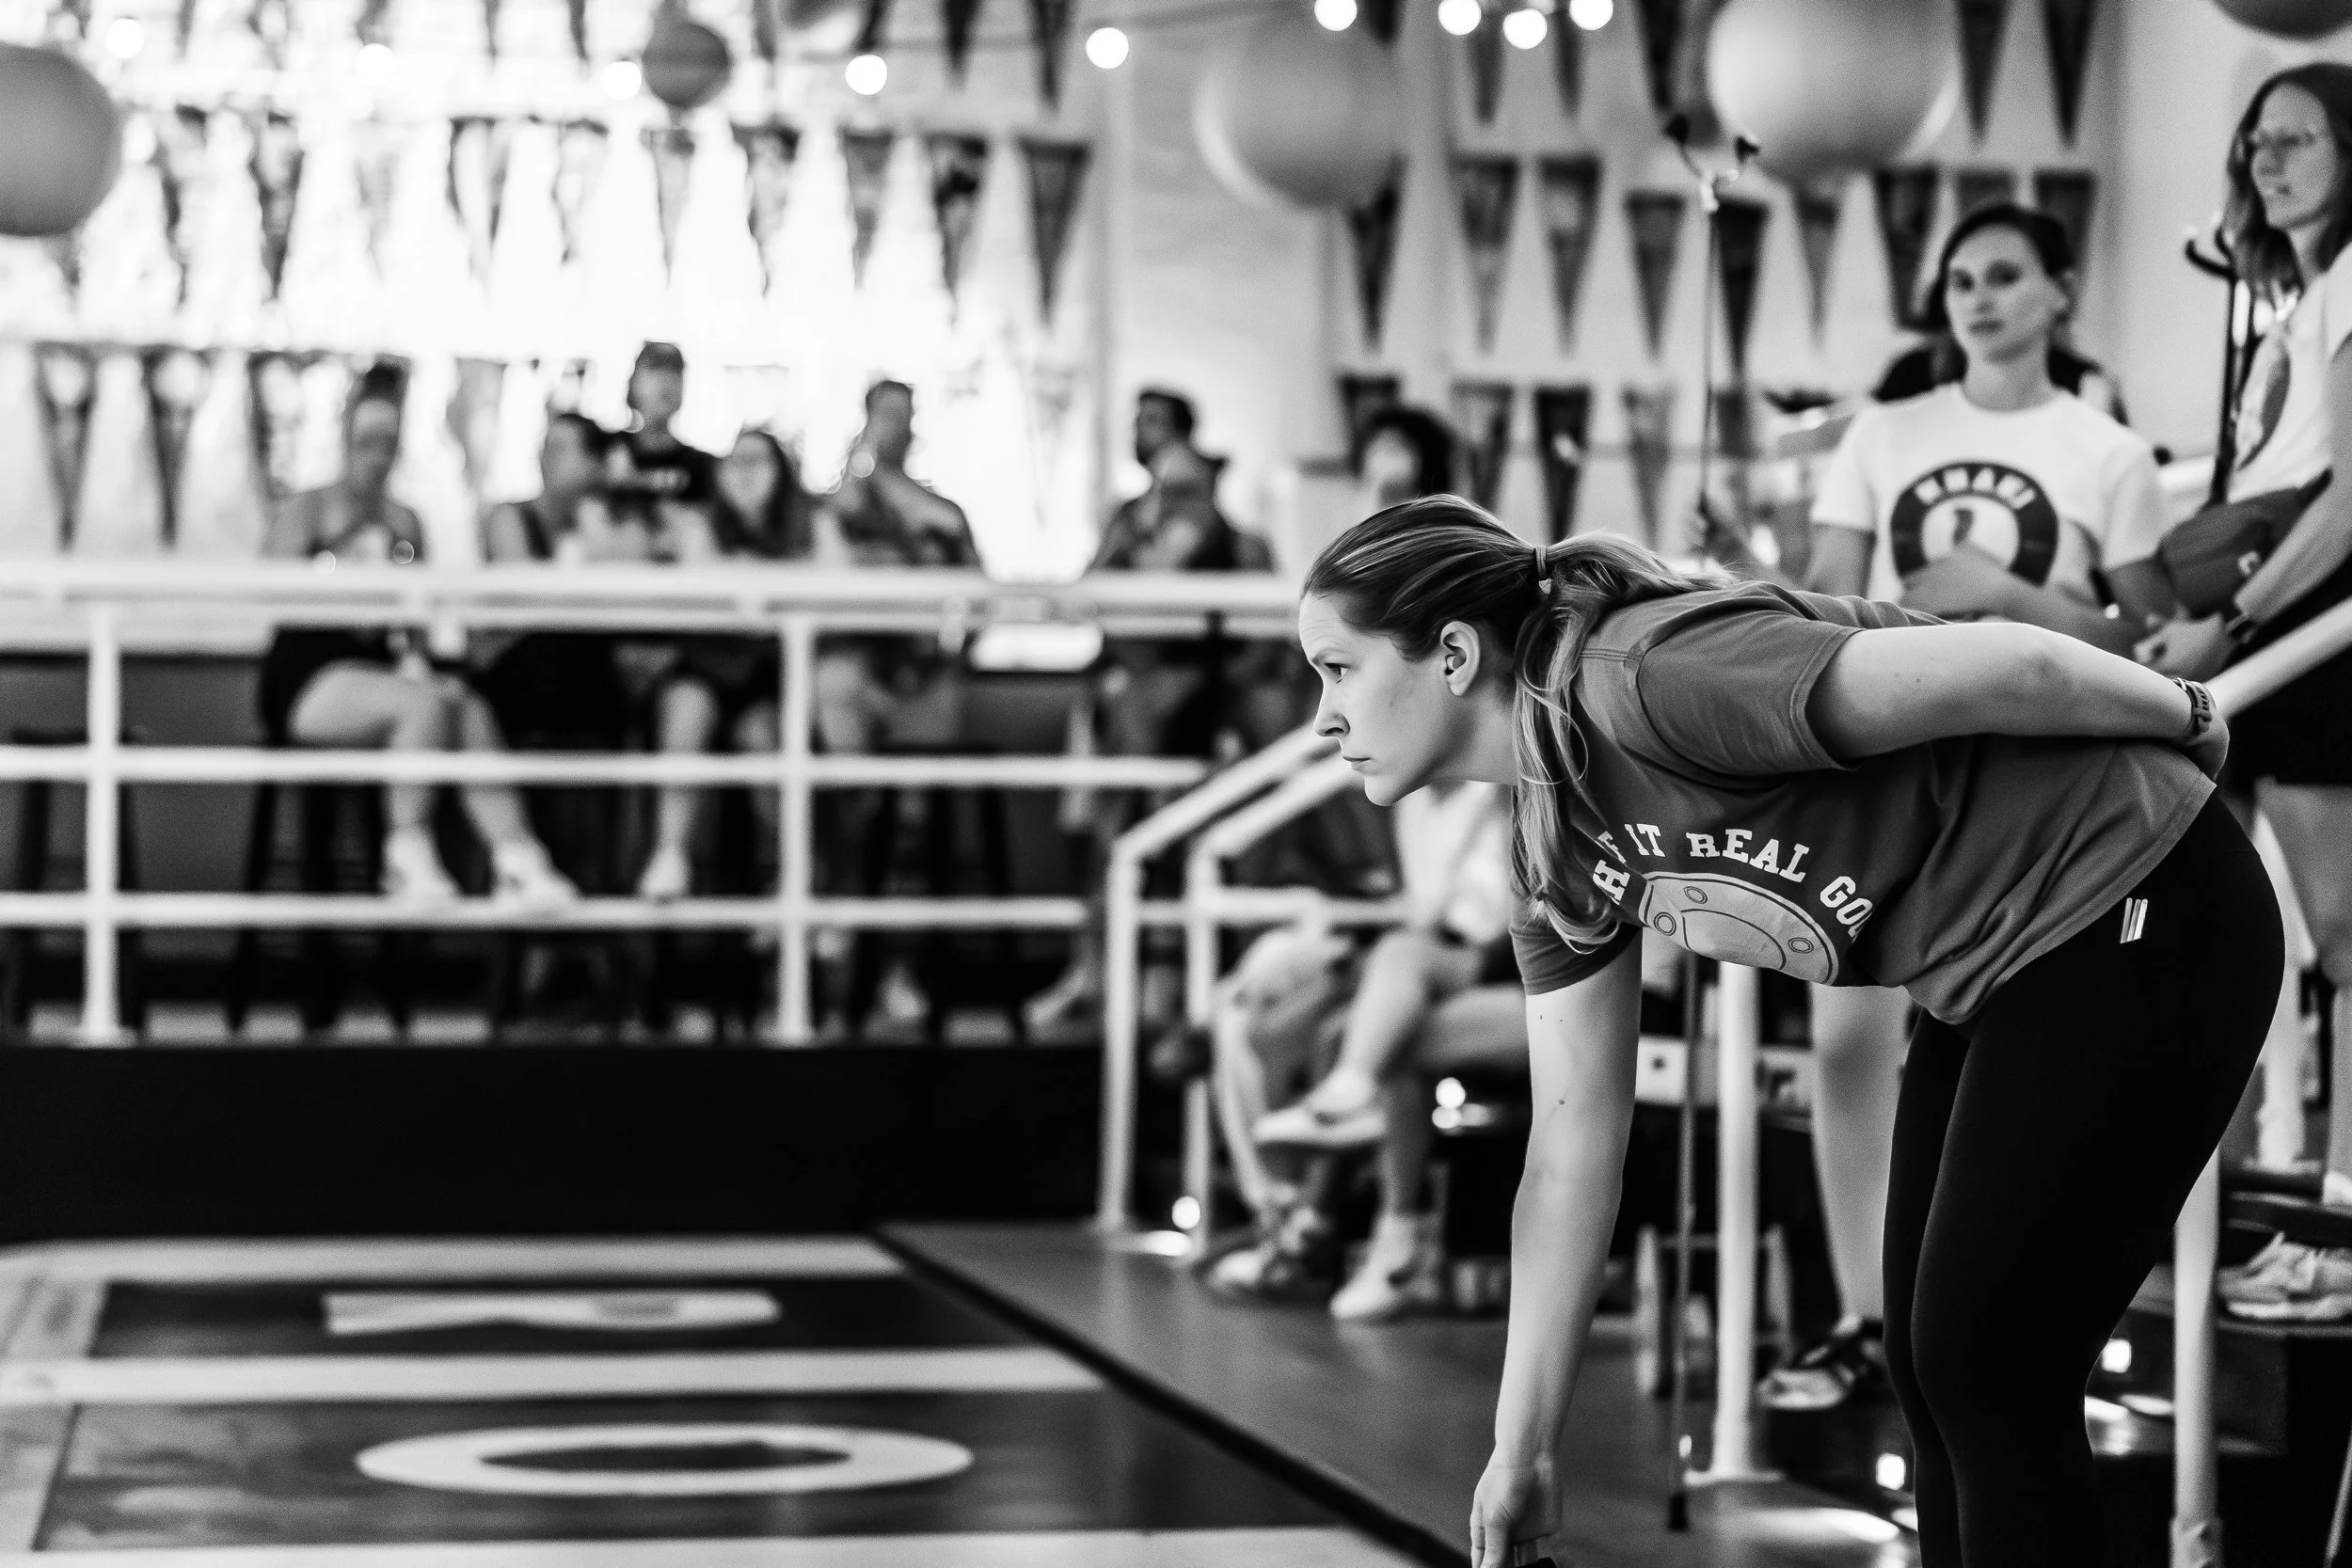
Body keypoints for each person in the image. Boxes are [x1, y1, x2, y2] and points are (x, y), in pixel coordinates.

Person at [1300, 500, 2273, 1568]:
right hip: (1995, 967)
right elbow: (1570, 1153)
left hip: (2144, 897)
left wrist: (2189, 711)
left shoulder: (1648, 676)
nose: (1321, 718)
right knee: (1926, 1357)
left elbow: (2013, 667)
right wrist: (1520, 1448)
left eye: (1336, 669)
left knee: (1985, 1358)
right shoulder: (1551, 841)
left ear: (1449, 653)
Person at [1759, 200, 2178, 1411]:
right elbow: (1823, 600)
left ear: (2058, 289)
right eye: (1957, 280)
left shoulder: (2108, 452)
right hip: (1896, 760)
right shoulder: (1885, 432)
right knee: (1845, 1038)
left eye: (2003, 276)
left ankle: (1997, 1316)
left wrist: (2010, 595)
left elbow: (2142, 637)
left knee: (2011, 1054)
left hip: (2041, 783)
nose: (1978, 297)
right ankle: (1860, 1310)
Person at [2144, 63, 2352, 1233]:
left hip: (2309, 626)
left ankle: (2334, 1220)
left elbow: (2344, 503)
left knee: (2344, 938)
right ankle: (2204, 1206)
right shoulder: (2297, 297)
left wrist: (2230, 620)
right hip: (2267, 617)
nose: (2265, 162)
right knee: (2212, 928)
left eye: (2295, 138)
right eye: (2253, 144)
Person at [256, 367, 576, 907]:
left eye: (387, 442)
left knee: (465, 705)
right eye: (366, 441)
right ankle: (406, 855)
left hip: (384, 670)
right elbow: (276, 593)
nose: (376, 454)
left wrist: (420, 656)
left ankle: (518, 858)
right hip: (310, 675)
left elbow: (416, 621)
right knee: (424, 707)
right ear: (344, 437)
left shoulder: (408, 521)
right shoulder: (307, 509)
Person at [1212, 778, 1524, 1322]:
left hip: (1529, 973)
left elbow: (1536, 921)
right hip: (1467, 960)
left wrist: (1448, 968)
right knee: (1348, 1019)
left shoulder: (1516, 790)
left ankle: (1357, 1233)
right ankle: (1331, 1221)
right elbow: (1428, 913)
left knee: (1390, 1028)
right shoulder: (1411, 805)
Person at [808, 381, 982, 1032]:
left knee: (914, 827)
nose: (892, 428)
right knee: (852, 815)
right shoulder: (833, 509)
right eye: (882, 415)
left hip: (927, 680)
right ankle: (839, 977)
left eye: (902, 416)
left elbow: (976, 597)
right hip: (852, 678)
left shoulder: (943, 512)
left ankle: (898, 971)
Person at [636, 430, 817, 901]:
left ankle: (786, 877)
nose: (745, 472)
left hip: (769, 678)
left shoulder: (808, 529)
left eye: (758, 461)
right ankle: (670, 852)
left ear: (783, 472)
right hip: (704, 667)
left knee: (767, 740)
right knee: (687, 707)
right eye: (735, 461)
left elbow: (829, 581)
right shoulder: (699, 525)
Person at [474, 413, 632, 749]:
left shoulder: (606, 524)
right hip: (517, 664)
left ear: (594, 463)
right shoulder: (510, 517)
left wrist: (600, 515)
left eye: (561, 449)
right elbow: (530, 596)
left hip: (583, 667)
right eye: (545, 448)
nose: (547, 458)